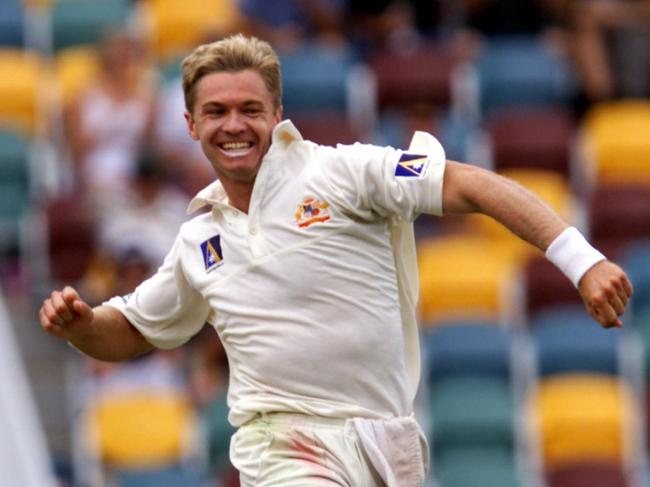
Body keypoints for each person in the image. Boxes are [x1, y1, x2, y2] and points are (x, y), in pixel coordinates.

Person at [40, 34, 633, 486]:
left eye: (250, 108)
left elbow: (472, 186)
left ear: (277, 115)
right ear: (191, 124)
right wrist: (83, 326)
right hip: (281, 445)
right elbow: (133, 331)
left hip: (384, 439)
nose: (234, 125)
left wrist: (582, 262)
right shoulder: (200, 241)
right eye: (216, 112)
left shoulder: (343, 172)